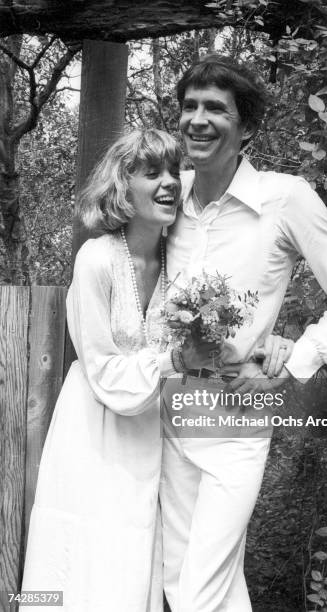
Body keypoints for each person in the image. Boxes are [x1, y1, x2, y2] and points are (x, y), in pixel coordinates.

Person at [160, 54, 327, 612]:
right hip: (165, 414)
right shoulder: (168, 198)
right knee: (183, 578)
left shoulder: (285, 198)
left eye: (216, 108)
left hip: (237, 420)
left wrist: (293, 357)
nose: (197, 119)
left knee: (199, 591)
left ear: (247, 127)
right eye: (189, 106)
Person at [21, 128, 217, 612]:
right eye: (153, 173)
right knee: (81, 555)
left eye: (175, 171)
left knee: (131, 562)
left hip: (153, 433)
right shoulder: (96, 260)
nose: (170, 182)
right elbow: (104, 370)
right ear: (121, 187)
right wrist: (173, 360)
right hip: (93, 432)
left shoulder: (186, 263)